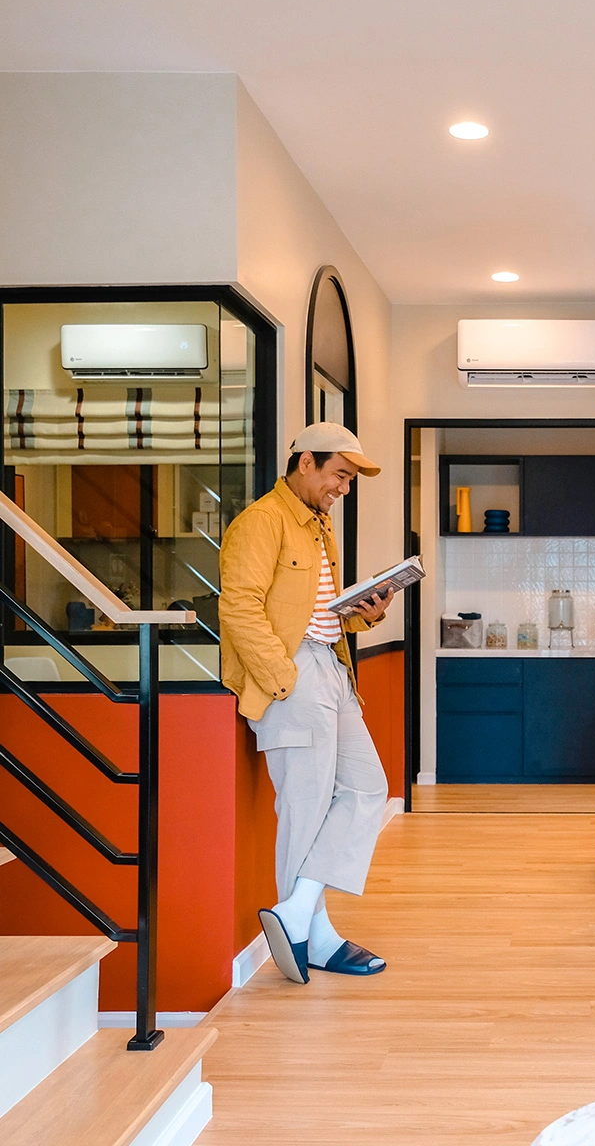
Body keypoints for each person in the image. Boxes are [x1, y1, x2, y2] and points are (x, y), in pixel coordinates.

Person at [219, 422, 393, 984]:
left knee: (367, 788)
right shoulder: (261, 522)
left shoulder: (317, 525)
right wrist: (283, 679)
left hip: (332, 668)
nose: (344, 487)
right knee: (306, 806)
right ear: (305, 463)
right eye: (339, 474)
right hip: (293, 674)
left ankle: (297, 912)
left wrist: (364, 614)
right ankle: (314, 936)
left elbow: (316, 611)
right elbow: (239, 606)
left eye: (350, 479)